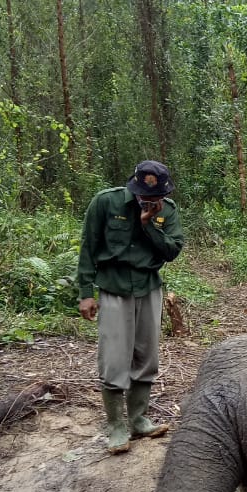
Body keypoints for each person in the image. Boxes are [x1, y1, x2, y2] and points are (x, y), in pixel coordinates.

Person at [76, 160, 185, 454]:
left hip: (149, 288)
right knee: (114, 358)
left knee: (146, 356)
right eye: (145, 196)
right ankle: (115, 426)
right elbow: (88, 246)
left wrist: (147, 225)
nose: (150, 201)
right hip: (114, 288)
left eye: (156, 197)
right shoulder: (106, 202)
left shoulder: (169, 211)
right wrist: (86, 293)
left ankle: (138, 419)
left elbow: (172, 251)